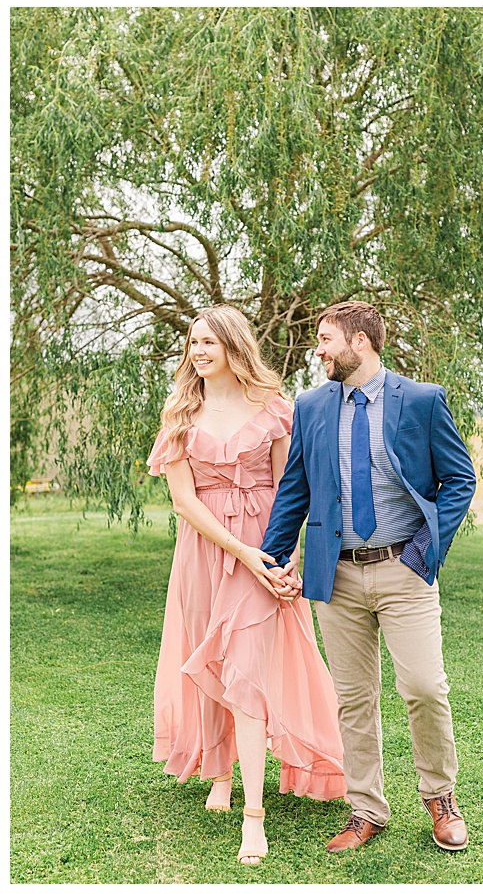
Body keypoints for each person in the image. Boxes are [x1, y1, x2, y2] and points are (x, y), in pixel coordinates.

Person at [256, 300, 476, 854]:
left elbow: (460, 479)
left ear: (361, 341)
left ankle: (440, 797)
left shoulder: (423, 400)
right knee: (353, 698)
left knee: (425, 687)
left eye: (326, 338)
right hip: (337, 577)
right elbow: (296, 489)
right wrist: (271, 557)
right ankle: (366, 810)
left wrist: (425, 552)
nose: (319, 349)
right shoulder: (309, 406)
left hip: (406, 570)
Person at [147, 305, 346, 866]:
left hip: (268, 547)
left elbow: (292, 489)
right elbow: (183, 501)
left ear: (235, 346)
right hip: (206, 552)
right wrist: (244, 553)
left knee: (249, 672)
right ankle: (219, 772)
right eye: (193, 342)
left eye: (209, 341)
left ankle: (254, 817)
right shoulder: (181, 414)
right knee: (210, 660)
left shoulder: (274, 409)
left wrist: (284, 562)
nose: (199, 351)